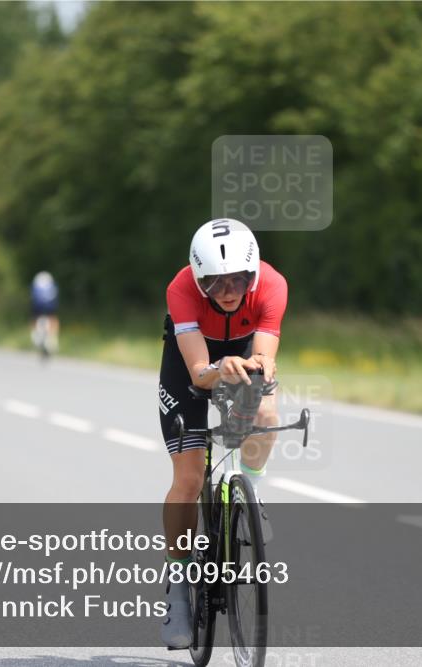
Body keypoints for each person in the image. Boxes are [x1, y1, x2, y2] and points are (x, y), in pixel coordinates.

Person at [157, 218, 287, 648]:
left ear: (254, 274)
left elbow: (264, 359)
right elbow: (198, 372)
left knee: (265, 409)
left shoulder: (272, 285)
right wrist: (218, 368)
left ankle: (251, 491)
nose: (228, 291)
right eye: (214, 282)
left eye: (238, 280)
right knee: (189, 479)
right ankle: (178, 587)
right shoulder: (181, 289)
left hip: (243, 352)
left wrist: (255, 369)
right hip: (190, 365)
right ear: (198, 278)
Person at [30, 270, 59, 354]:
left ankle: (35, 334)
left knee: (34, 317)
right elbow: (56, 296)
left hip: (37, 307)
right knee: (53, 318)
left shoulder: (36, 285)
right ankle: (53, 336)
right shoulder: (52, 284)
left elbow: (33, 297)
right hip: (51, 306)